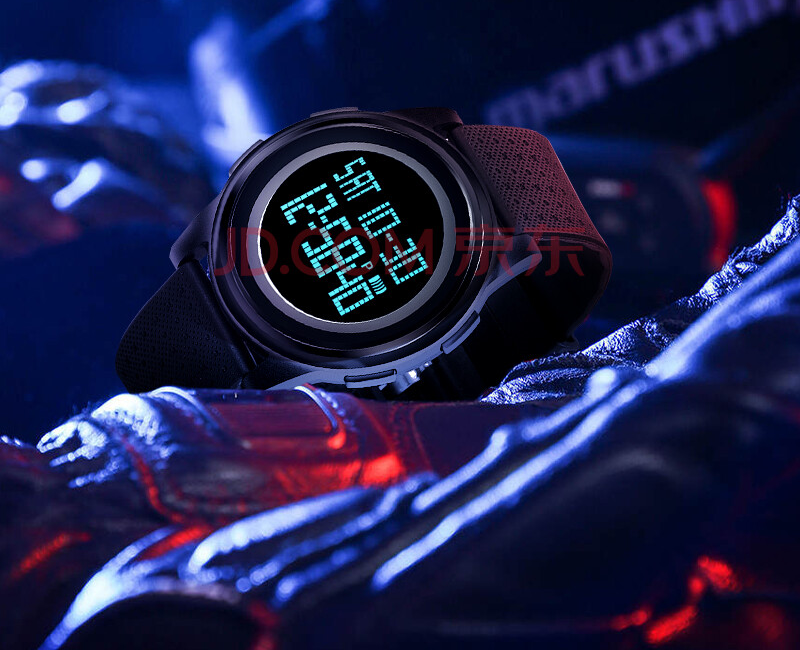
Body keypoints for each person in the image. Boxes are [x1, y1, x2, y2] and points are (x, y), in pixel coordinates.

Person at [2, 194, 799, 650]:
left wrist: (760, 273)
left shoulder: (100, 476)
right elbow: (650, 469)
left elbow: (522, 425)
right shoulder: (150, 612)